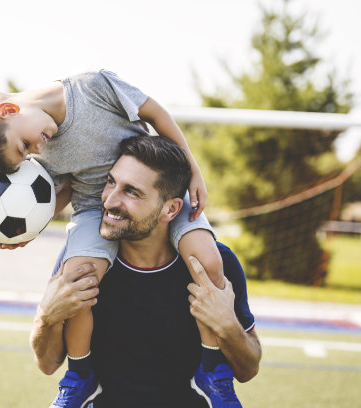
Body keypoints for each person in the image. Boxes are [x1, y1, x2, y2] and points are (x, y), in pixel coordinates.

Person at [0, 70, 229, 406]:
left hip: (154, 196)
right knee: (76, 281)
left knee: (208, 261)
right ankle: (81, 375)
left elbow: (155, 113)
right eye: (26, 153)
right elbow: (60, 192)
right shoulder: (42, 150)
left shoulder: (93, 87)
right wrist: (25, 231)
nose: (36, 149)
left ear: (8, 111)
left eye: (24, 145)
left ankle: (212, 370)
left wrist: (192, 168)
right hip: (93, 212)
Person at [30, 135, 262, 407]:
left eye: (132, 192)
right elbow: (47, 364)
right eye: (111, 182)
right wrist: (46, 316)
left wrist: (228, 326)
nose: (109, 200)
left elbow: (248, 369)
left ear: (170, 209)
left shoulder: (215, 262)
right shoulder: (83, 264)